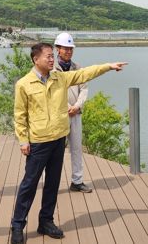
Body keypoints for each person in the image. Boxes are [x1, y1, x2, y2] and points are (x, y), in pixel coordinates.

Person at [10, 43, 127, 244]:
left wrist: (108, 66)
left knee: (53, 184)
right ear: (35, 59)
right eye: (47, 56)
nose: (51, 59)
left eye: (51, 56)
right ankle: (18, 225)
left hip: (58, 139)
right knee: (29, 185)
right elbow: (20, 115)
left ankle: (45, 221)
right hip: (38, 142)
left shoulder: (60, 78)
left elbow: (84, 74)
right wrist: (23, 140)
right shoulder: (24, 84)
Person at [52, 32, 92, 193]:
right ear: (58, 49)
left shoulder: (78, 68)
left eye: (70, 48)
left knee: (76, 149)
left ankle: (77, 181)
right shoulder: (52, 69)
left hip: (76, 114)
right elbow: (52, 92)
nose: (68, 51)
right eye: (65, 48)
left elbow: (84, 89)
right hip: (60, 115)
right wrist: (67, 106)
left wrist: (77, 106)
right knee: (56, 151)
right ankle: (53, 183)